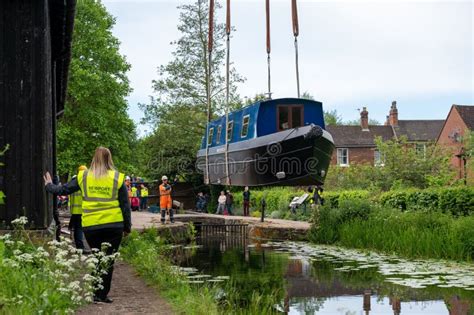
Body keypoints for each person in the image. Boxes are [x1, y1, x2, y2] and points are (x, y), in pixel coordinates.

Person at [43, 147, 131, 304]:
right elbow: (125, 206)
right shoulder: (117, 178)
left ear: (94, 158)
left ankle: (96, 292)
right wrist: (127, 228)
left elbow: (63, 190)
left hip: (92, 226)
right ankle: (101, 294)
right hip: (114, 225)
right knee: (108, 259)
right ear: (109, 159)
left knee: (97, 258)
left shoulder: (83, 176)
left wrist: (49, 185)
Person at [68, 165, 88, 250]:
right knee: (80, 229)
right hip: (83, 210)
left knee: (77, 229)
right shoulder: (84, 182)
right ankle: (81, 248)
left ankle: (79, 247)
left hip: (74, 210)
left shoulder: (73, 182)